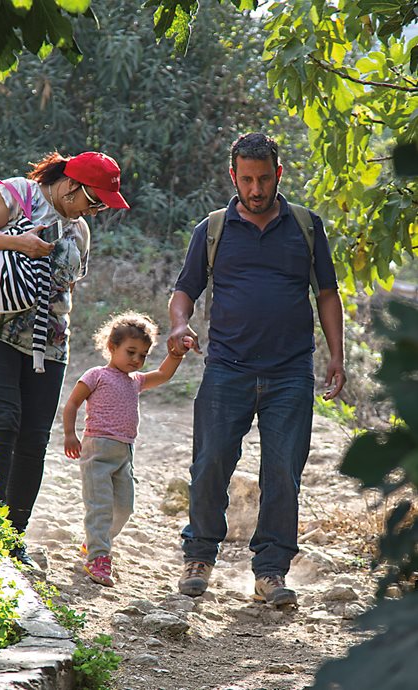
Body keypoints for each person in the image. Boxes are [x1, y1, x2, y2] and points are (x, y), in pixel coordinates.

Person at [167, 132, 346, 606]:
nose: (256, 188)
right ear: (234, 177)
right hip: (228, 368)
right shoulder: (213, 229)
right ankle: (199, 556)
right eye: (246, 179)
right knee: (209, 464)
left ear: (278, 174)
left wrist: (337, 355)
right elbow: (185, 291)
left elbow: (326, 293)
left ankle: (270, 571)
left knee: (283, 473)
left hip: (290, 371)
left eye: (264, 178)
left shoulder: (307, 226)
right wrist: (179, 325)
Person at [0, 150, 129, 566]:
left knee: (35, 439)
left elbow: (66, 288)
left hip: (47, 344)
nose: (96, 210)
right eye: (94, 201)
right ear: (71, 185)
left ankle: (11, 540)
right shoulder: (16, 194)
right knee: (3, 423)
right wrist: (16, 243)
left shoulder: (80, 230)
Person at [63, 311, 192, 587]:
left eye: (143, 355)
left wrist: (177, 354)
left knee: (124, 507)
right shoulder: (96, 375)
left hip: (124, 454)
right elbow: (72, 403)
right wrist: (69, 435)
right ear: (112, 347)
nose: (136, 360)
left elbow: (164, 374)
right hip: (96, 451)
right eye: (130, 352)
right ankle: (98, 556)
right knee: (99, 507)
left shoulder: (136, 381)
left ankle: (94, 543)